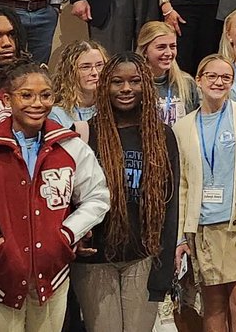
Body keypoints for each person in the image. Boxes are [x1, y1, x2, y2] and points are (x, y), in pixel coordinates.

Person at [0, 61, 110, 332]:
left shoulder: (70, 146)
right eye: (26, 95)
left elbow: (97, 196)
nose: (37, 103)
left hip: (53, 279)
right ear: (7, 99)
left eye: (46, 95)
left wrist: (67, 234)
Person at [73, 53, 181, 332]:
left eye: (134, 81)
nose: (126, 89)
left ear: (146, 85)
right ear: (104, 86)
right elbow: (72, 199)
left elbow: (170, 205)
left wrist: (163, 268)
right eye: (117, 82)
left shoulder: (162, 136)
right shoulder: (85, 134)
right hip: (96, 259)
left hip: (143, 256)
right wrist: (75, 238)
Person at [174, 54, 236, 332]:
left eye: (226, 77)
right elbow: (182, 186)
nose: (218, 82)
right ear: (199, 80)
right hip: (204, 229)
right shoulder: (182, 127)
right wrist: (181, 236)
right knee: (213, 306)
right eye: (212, 76)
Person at [137, 21, 200, 124]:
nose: (168, 53)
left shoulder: (187, 83)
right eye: (161, 47)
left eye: (172, 46)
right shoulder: (135, 85)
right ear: (145, 51)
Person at [49, 39, 108, 139]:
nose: (95, 72)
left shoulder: (111, 108)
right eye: (85, 67)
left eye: (99, 65)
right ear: (70, 72)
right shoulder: (57, 115)